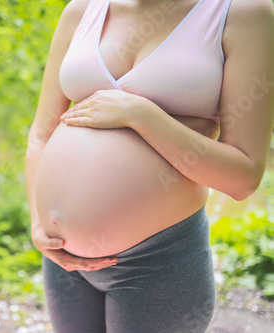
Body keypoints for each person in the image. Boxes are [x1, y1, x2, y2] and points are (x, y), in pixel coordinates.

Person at [24, 0, 274, 332]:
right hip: (63, 260)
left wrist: (143, 116)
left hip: (159, 262)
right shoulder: (81, 10)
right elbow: (41, 135)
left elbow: (243, 178)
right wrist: (38, 224)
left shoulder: (245, 13)